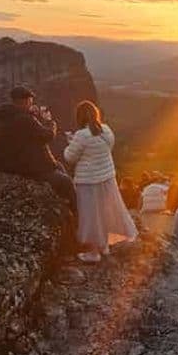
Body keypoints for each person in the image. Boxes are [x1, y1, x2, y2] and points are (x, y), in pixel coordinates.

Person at [64, 101, 138, 263]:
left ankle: (93, 252)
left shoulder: (81, 135)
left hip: (88, 181)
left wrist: (70, 143)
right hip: (107, 178)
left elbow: (70, 158)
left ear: (80, 117)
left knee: (91, 215)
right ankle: (104, 246)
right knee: (105, 212)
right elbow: (102, 149)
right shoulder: (106, 130)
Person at [0, 86, 76, 206]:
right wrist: (49, 122)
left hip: (7, 161)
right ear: (25, 101)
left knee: (59, 166)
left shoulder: (5, 116)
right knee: (66, 181)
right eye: (30, 101)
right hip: (21, 165)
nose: (32, 104)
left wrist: (32, 115)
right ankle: (77, 214)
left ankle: (65, 203)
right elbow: (47, 136)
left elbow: (27, 134)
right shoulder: (25, 119)